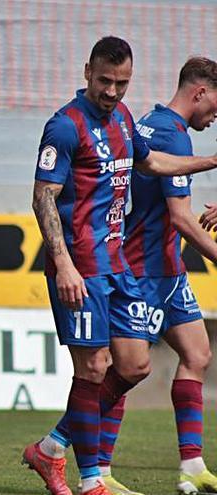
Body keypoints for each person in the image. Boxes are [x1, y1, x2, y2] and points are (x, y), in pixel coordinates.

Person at [22, 37, 217, 495]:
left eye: (122, 83)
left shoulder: (125, 119)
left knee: (133, 366)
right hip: (82, 269)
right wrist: (64, 264)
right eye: (105, 81)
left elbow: (150, 162)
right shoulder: (64, 126)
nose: (112, 91)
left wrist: (210, 160)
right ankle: (92, 479)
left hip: (117, 267)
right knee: (93, 368)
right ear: (87, 70)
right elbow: (42, 198)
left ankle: (51, 449)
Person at [92, 57, 217, 495]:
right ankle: (87, 462)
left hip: (166, 269)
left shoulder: (152, 122)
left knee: (197, 353)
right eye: (216, 103)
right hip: (142, 270)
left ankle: (192, 467)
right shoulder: (171, 135)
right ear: (198, 92)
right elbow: (182, 220)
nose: (216, 114)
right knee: (127, 371)